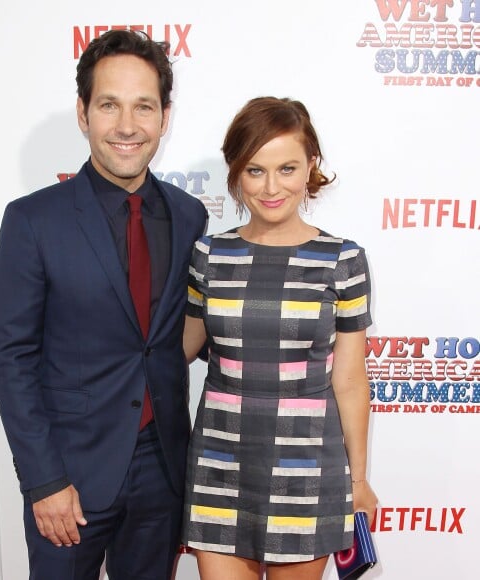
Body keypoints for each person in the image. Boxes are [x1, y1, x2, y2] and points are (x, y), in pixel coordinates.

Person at [0, 30, 208, 580]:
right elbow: (12, 358)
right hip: (69, 478)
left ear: (165, 116)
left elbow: (184, 333)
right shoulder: (33, 220)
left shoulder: (188, 216)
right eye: (109, 105)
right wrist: (44, 481)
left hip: (162, 471)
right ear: (84, 113)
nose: (128, 126)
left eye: (144, 107)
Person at [181, 97, 377, 580]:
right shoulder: (208, 255)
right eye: (255, 170)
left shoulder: (343, 260)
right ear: (236, 173)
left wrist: (358, 479)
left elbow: (350, 380)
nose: (271, 187)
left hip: (306, 469)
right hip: (219, 465)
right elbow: (177, 350)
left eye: (287, 168)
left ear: (311, 166)